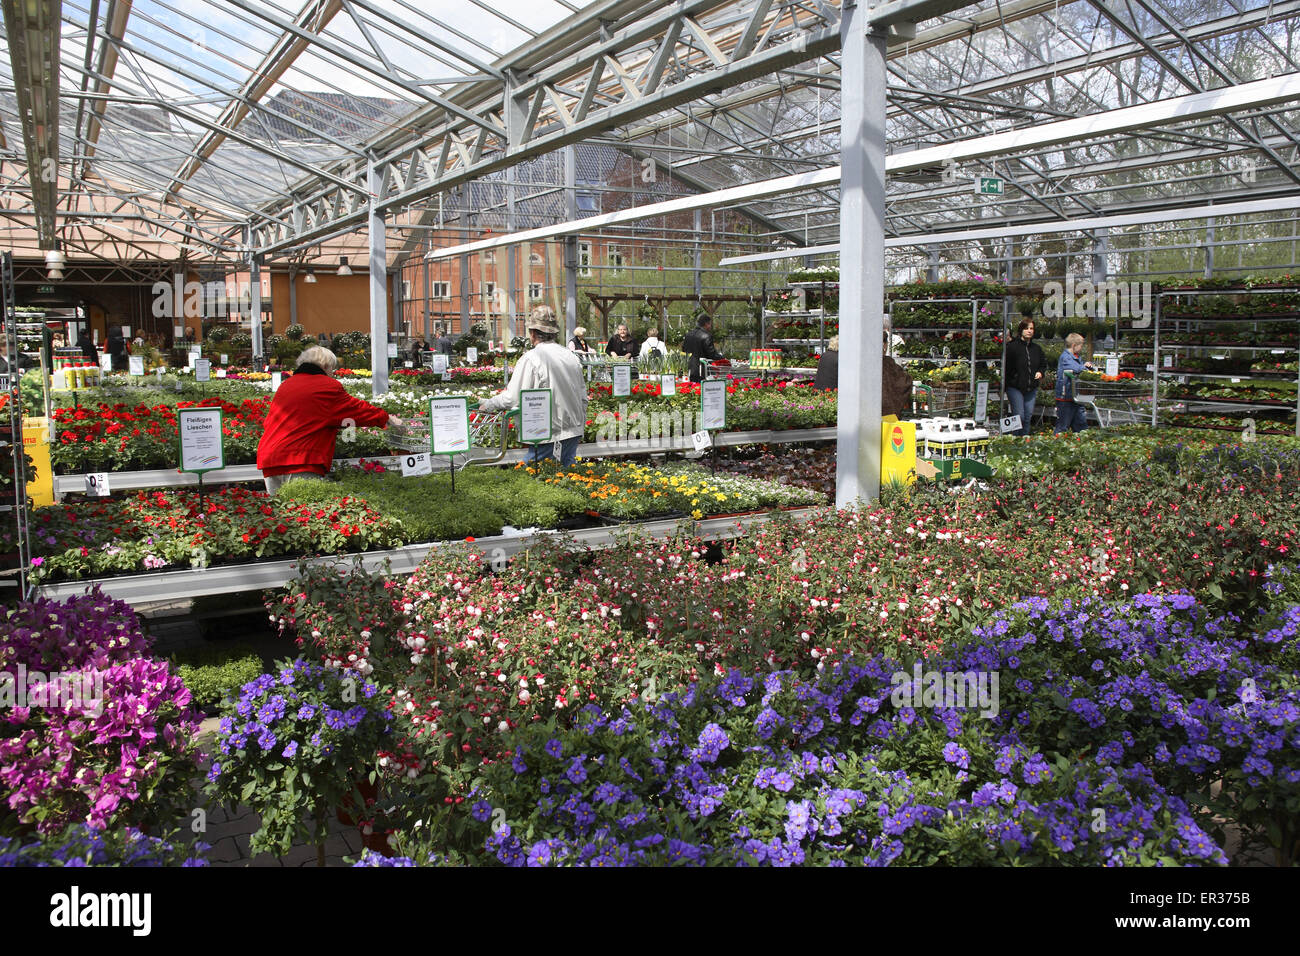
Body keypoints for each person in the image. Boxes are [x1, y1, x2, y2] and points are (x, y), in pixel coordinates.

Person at [256, 346, 404, 493]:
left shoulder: (287, 385)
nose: (333, 373)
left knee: (284, 513)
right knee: (305, 511)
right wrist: (387, 418)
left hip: (270, 460)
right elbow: (357, 410)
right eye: (332, 369)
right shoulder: (326, 386)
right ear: (325, 366)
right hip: (299, 460)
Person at [477, 306, 586, 466]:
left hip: (549, 433)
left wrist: (488, 404)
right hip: (573, 431)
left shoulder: (532, 358)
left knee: (530, 474)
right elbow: (583, 396)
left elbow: (512, 398)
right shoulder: (570, 356)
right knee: (565, 477)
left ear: (533, 333)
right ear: (554, 332)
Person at [1003, 318, 1047, 437]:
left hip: (1031, 388)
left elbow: (1043, 364)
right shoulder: (1012, 347)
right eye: (1026, 328)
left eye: (1031, 328)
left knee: (1027, 417)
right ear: (1021, 330)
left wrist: (1040, 372)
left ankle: (1024, 442)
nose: (1029, 331)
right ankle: (1011, 438)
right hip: (1015, 387)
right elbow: (1006, 367)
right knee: (1019, 416)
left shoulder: (1036, 349)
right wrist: (1004, 386)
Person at [1054, 333, 1093, 434]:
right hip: (1065, 397)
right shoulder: (1065, 358)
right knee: (1062, 427)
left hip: (1075, 397)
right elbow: (1076, 369)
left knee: (1081, 427)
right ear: (1074, 345)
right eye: (1081, 345)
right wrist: (1085, 366)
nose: (1081, 348)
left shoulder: (1076, 357)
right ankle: (1055, 446)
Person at [682, 314, 723, 383]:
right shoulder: (706, 336)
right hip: (702, 369)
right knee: (702, 390)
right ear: (706, 324)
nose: (710, 327)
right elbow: (711, 354)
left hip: (688, 368)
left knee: (690, 389)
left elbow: (684, 350)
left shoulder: (688, 334)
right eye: (710, 324)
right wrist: (722, 358)